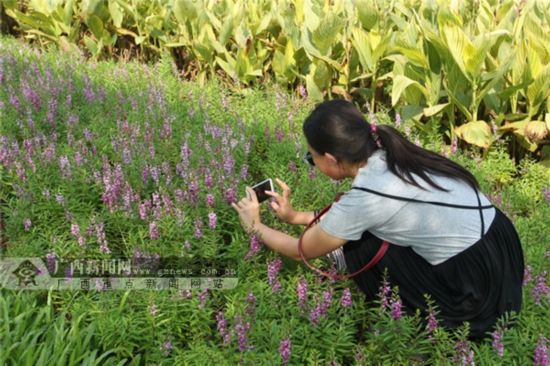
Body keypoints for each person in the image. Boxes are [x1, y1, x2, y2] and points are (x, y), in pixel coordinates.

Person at [231, 99, 524, 339]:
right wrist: (295, 216)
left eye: (311, 158)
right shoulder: (392, 154)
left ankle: (419, 327)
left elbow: (301, 249)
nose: (312, 164)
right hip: (500, 247)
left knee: (360, 248)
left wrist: (255, 226)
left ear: (331, 159)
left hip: (478, 290)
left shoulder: (369, 195)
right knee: (361, 234)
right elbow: (355, 217)